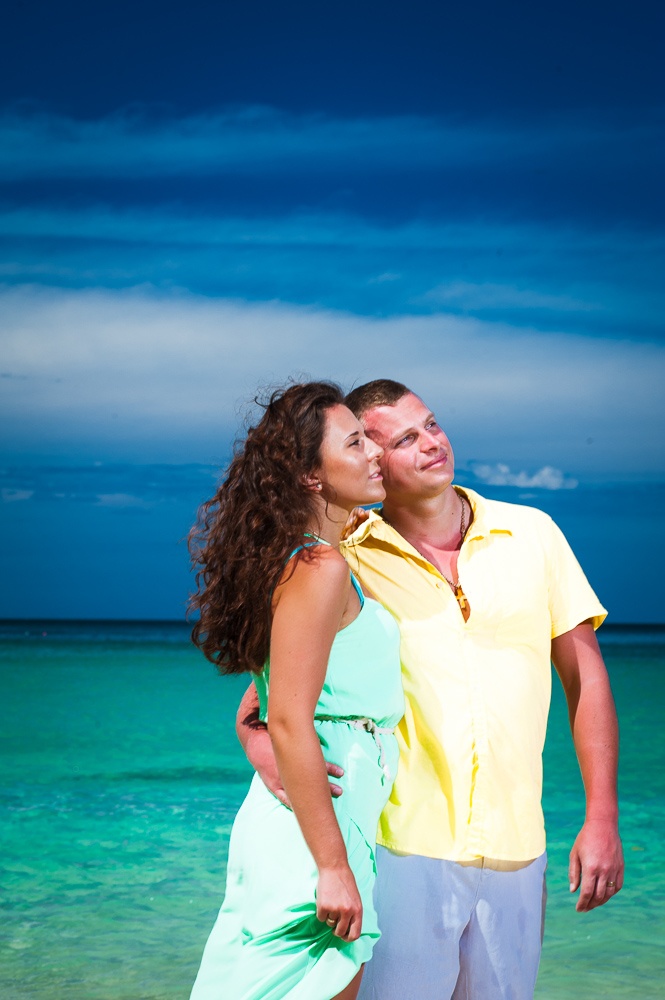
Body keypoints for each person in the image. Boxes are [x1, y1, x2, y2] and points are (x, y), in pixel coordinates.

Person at [239, 379, 624, 1000]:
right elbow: (268, 700)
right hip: (398, 850)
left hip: (519, 849)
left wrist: (601, 816)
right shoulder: (347, 556)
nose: (431, 444)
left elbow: (586, 678)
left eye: (432, 425)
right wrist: (264, 751)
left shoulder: (534, 533)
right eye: (403, 440)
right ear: (374, 458)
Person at [187, 381, 404, 1000]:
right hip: (317, 830)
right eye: (356, 443)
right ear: (311, 476)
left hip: (326, 816)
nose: (375, 453)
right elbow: (284, 717)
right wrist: (333, 867)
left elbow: (261, 704)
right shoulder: (319, 568)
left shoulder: (312, 561)